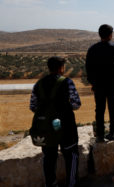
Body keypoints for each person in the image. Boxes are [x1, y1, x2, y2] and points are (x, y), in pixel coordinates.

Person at [30, 56, 81, 187]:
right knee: (71, 155)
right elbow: (76, 104)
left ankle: (51, 184)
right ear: (61, 68)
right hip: (67, 127)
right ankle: (71, 184)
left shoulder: (38, 84)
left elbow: (33, 107)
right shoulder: (67, 82)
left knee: (49, 158)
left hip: (46, 128)